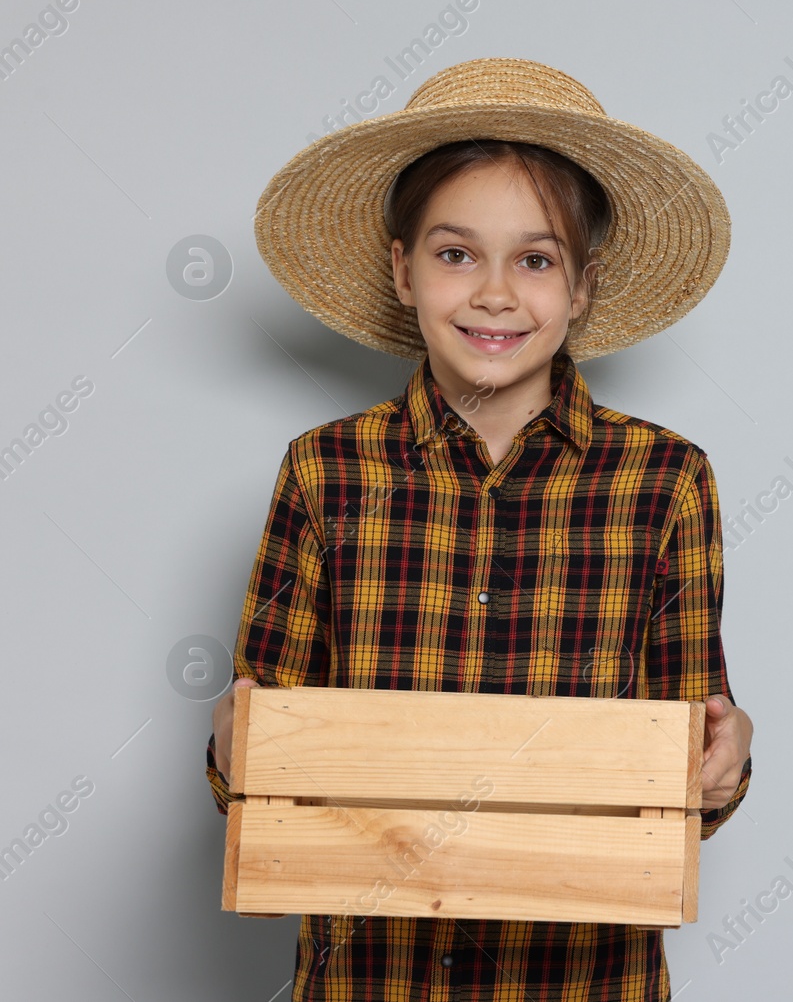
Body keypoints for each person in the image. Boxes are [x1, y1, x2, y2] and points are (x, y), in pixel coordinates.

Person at [204, 57, 754, 1001]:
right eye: (456, 253)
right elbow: (266, 770)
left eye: (535, 259)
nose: (495, 293)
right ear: (401, 267)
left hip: (583, 978)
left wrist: (721, 765)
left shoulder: (663, 482)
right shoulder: (325, 472)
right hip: (369, 978)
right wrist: (233, 747)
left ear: (581, 287)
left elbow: (680, 779)